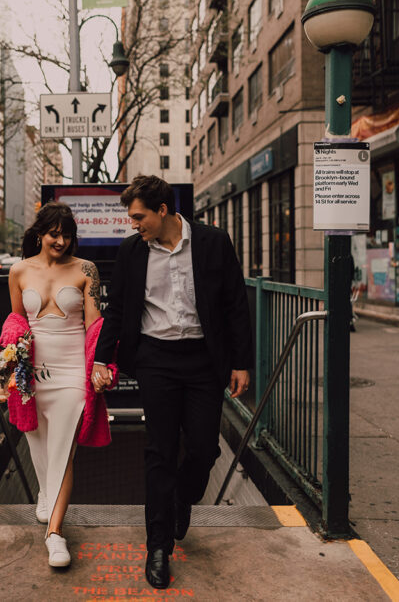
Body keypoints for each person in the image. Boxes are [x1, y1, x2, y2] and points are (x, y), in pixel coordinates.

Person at [92, 175, 253, 589]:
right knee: (159, 452)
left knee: (203, 449)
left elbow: (235, 303)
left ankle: (183, 497)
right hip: (156, 360)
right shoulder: (131, 251)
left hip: (204, 361)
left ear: (163, 210)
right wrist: (102, 360)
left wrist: (240, 362)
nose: (133, 224)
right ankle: (158, 546)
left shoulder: (213, 242)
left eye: (139, 216)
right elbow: (118, 312)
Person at [2, 202, 116, 568]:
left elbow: (96, 324)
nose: (61, 241)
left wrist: (102, 365)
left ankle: (54, 533)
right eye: (55, 233)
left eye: (67, 235)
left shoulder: (86, 270)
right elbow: (16, 324)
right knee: (38, 444)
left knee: (63, 449)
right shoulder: (18, 270)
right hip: (31, 373)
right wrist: (6, 371)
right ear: (40, 233)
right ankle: (46, 493)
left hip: (71, 373)